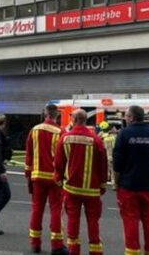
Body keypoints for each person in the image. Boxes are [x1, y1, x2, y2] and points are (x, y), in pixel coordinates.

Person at [113, 105, 149, 255]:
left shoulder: (124, 134)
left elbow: (117, 162)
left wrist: (116, 182)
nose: (125, 118)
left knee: (130, 222)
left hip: (128, 186)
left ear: (131, 117)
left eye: (126, 116)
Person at [54, 109, 107, 255]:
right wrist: (102, 185)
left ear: (74, 120)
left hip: (71, 189)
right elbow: (103, 165)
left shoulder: (65, 138)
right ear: (86, 121)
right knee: (93, 223)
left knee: (72, 222)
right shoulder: (96, 140)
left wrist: (59, 180)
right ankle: (95, 252)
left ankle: (73, 251)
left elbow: (58, 163)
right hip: (92, 190)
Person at [24, 104, 67, 255]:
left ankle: (35, 244)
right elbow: (63, 158)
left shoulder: (34, 130)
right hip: (54, 178)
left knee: (37, 209)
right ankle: (57, 245)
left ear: (45, 114)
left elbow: (28, 155)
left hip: (37, 176)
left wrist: (28, 176)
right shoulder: (61, 132)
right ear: (57, 115)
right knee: (56, 210)